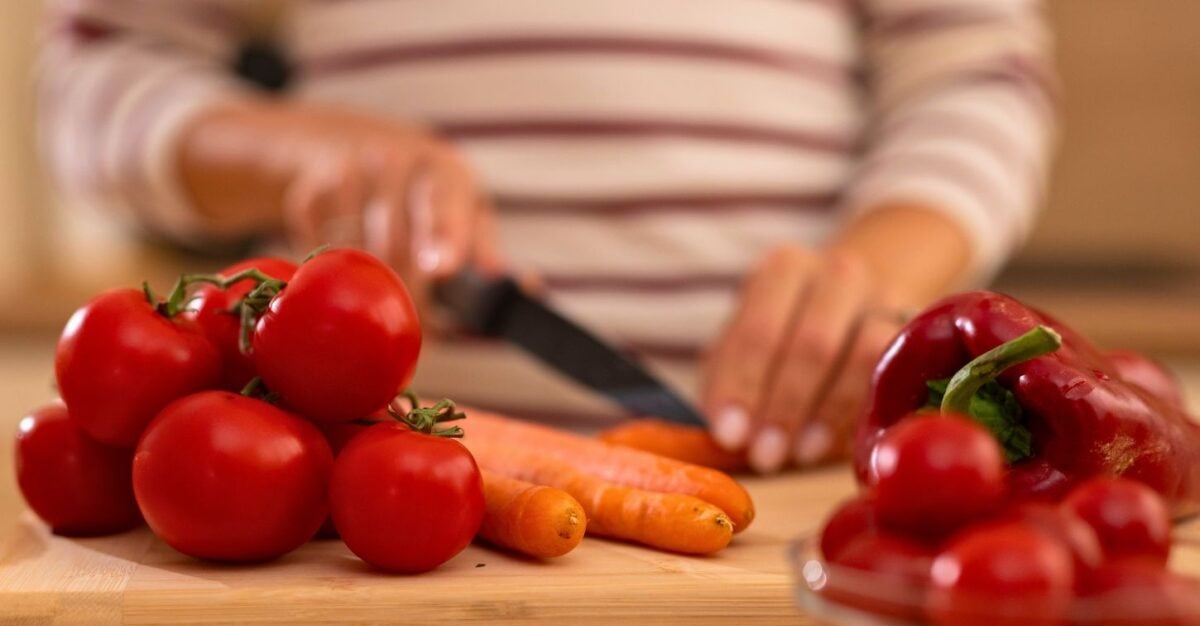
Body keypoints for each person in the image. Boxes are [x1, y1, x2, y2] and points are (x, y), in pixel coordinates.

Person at [39, 0, 1054, 473]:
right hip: (362, 499)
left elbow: (976, 76)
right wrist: (295, 154)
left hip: (808, 472)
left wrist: (873, 276)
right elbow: (103, 72)